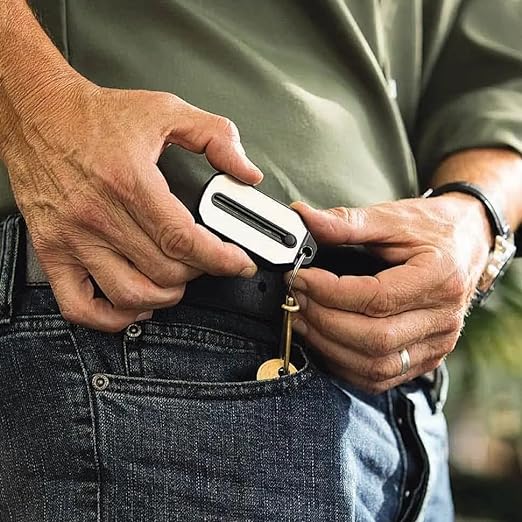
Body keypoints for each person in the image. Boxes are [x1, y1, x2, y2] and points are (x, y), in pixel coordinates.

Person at [0, 0, 521, 520]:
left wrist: (477, 219)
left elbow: (503, 86)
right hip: (149, 328)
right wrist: (36, 100)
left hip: (404, 406)